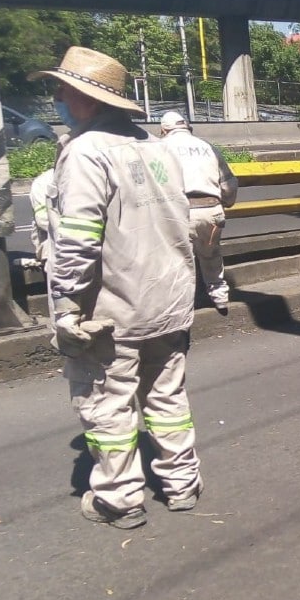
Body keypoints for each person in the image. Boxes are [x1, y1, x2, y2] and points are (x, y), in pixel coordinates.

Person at [29, 46, 201, 529]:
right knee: (167, 399)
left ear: (89, 99)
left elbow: (77, 243)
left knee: (108, 404)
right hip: (168, 303)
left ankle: (120, 500)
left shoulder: (86, 153)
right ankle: (182, 483)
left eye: (64, 89)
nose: (58, 96)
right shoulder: (157, 149)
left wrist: (66, 308)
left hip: (111, 311)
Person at [159, 111, 239, 315]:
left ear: (163, 130)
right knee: (211, 255)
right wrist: (227, 202)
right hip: (211, 210)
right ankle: (220, 298)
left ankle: (182, 306)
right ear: (188, 127)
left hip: (179, 212)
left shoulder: (160, 148)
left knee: (178, 260)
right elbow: (228, 182)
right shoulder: (207, 147)